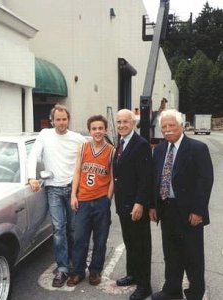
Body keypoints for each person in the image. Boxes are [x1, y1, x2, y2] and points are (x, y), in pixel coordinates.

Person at [149, 109, 214, 300]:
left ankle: (195, 294)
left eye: (171, 126)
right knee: (171, 254)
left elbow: (205, 180)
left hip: (189, 212)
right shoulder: (160, 149)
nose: (168, 130)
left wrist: (198, 210)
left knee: (193, 256)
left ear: (181, 126)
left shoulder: (197, 148)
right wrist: (153, 205)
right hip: (166, 209)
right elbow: (156, 179)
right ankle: (172, 290)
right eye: (164, 127)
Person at [28, 104, 85, 287]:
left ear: (69, 120)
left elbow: (90, 157)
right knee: (58, 230)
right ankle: (62, 269)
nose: (61, 123)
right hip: (53, 189)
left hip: (73, 190)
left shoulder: (78, 139)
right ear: (52, 120)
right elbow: (33, 155)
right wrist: (31, 178)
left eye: (64, 119)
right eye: (58, 119)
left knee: (74, 230)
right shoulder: (45, 135)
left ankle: (76, 265)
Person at [67, 115, 115, 287]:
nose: (97, 132)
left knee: (100, 240)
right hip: (84, 200)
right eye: (94, 129)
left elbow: (112, 178)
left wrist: (107, 199)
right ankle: (78, 271)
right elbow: (78, 172)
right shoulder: (83, 148)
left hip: (101, 200)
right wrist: (74, 194)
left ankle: (95, 271)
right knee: (80, 238)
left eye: (100, 128)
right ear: (90, 131)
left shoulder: (111, 151)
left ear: (105, 130)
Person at [113, 109, 153, 300]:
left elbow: (146, 178)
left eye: (125, 122)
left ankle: (145, 286)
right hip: (123, 205)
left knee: (141, 245)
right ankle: (133, 274)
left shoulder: (141, 144)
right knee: (130, 242)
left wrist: (140, 203)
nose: (121, 125)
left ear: (133, 123)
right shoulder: (120, 143)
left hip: (136, 206)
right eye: (119, 122)